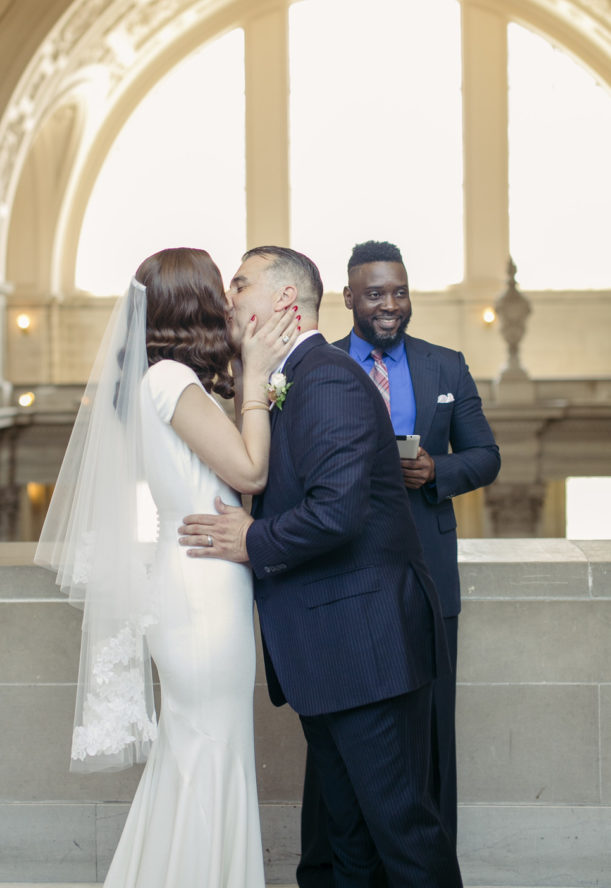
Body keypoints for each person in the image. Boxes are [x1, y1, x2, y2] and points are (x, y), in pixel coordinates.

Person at [179, 246, 463, 888]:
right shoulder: (287, 381)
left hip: (368, 649)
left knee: (404, 835)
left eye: (241, 285)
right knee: (348, 843)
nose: (229, 298)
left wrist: (253, 538)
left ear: (284, 300)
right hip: (334, 653)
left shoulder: (327, 377)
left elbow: (338, 511)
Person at [35, 247, 299, 888]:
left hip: (197, 582)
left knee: (201, 752)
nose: (230, 300)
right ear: (195, 304)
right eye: (220, 288)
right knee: (209, 752)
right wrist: (259, 376)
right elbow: (250, 473)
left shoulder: (168, 381)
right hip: (202, 593)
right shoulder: (171, 381)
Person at [297, 239, 501, 886]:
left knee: (428, 735)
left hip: (425, 579)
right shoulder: (311, 368)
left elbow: (485, 456)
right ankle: (334, 870)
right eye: (375, 293)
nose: (390, 305)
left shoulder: (445, 367)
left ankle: (425, 871)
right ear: (349, 298)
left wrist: (434, 470)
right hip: (338, 577)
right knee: (335, 738)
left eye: (399, 291)